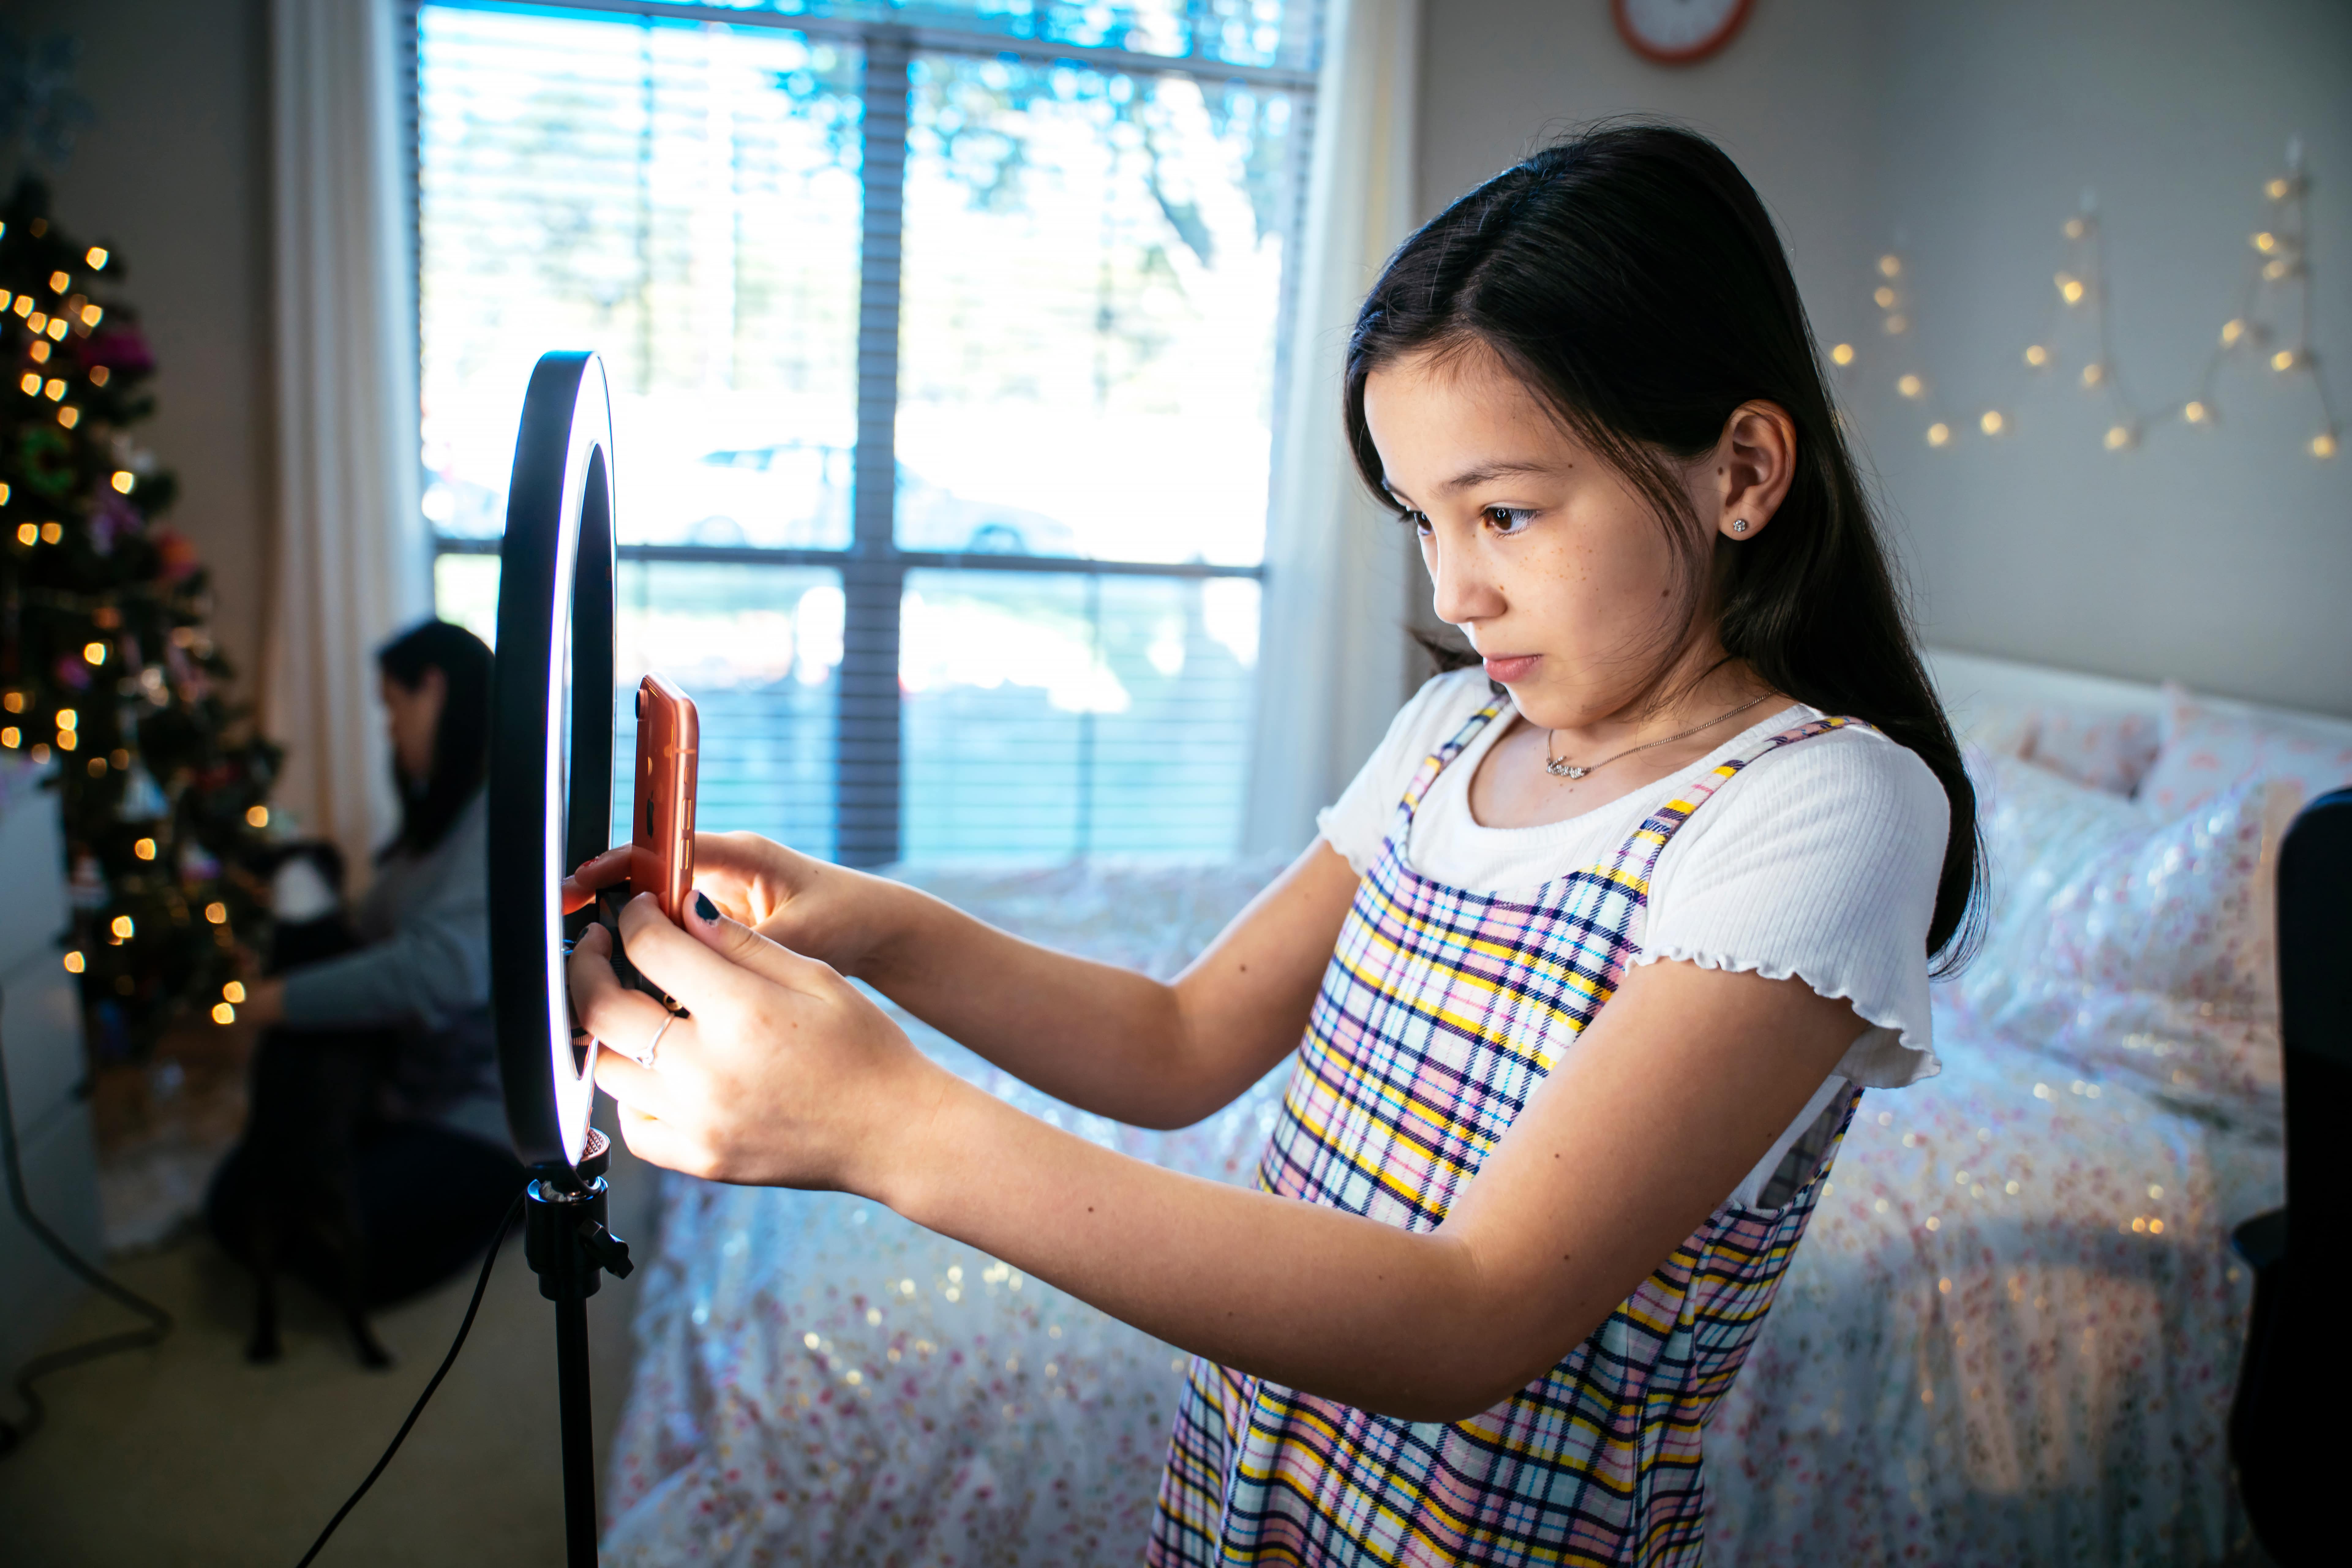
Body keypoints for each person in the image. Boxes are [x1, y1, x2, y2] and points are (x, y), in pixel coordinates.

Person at [567, 123, 1978, 1565]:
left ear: (1739, 471)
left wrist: (888, 1125)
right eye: (1422, 520)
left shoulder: (1826, 806)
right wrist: (868, 922)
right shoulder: (1445, 735)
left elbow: (1469, 1313)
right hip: (1248, 1498)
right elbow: (1176, 1043)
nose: (1457, 587)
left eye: (1503, 510)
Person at [209, 619, 519, 1315]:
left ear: (433, 690)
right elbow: (380, 922)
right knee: (237, 1203)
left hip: (479, 1113)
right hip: (401, 1089)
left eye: (393, 705)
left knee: (351, 1244)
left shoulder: (495, 817)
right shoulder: (441, 816)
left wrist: (282, 998)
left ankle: (510, 1194)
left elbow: (444, 970)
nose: (389, 727)